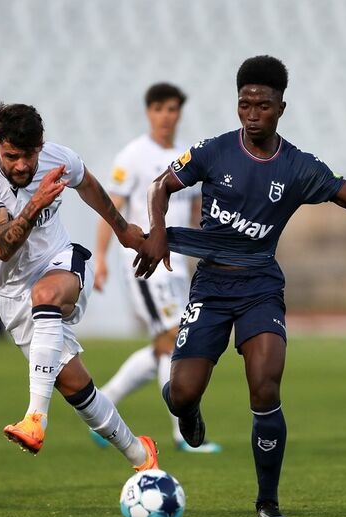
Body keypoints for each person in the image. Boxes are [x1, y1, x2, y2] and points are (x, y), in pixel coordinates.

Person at [133, 56, 346, 517]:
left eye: (263, 106)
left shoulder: (298, 167)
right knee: (184, 393)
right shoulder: (213, 151)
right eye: (245, 104)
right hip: (211, 284)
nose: (252, 114)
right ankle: (187, 412)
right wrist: (156, 232)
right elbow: (158, 187)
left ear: (281, 109)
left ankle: (268, 502)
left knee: (265, 385)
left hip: (260, 286)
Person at [0, 103, 159, 473]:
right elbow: (1, 248)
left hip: (60, 264)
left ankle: (35, 418)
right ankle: (139, 454)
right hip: (10, 292)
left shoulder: (58, 158)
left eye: (29, 156)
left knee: (46, 295)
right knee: (75, 386)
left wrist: (122, 229)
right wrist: (35, 203)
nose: (22, 165)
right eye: (11, 156)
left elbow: (89, 185)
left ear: (41, 146)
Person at [93, 82, 221, 454]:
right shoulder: (133, 156)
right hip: (147, 263)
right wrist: (100, 258)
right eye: (160, 108)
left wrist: (207, 251)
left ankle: (104, 403)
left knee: (166, 344)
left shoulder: (188, 156)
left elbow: (197, 212)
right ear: (149, 112)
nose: (168, 116)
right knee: (174, 339)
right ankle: (184, 435)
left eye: (173, 109)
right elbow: (111, 208)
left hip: (178, 263)